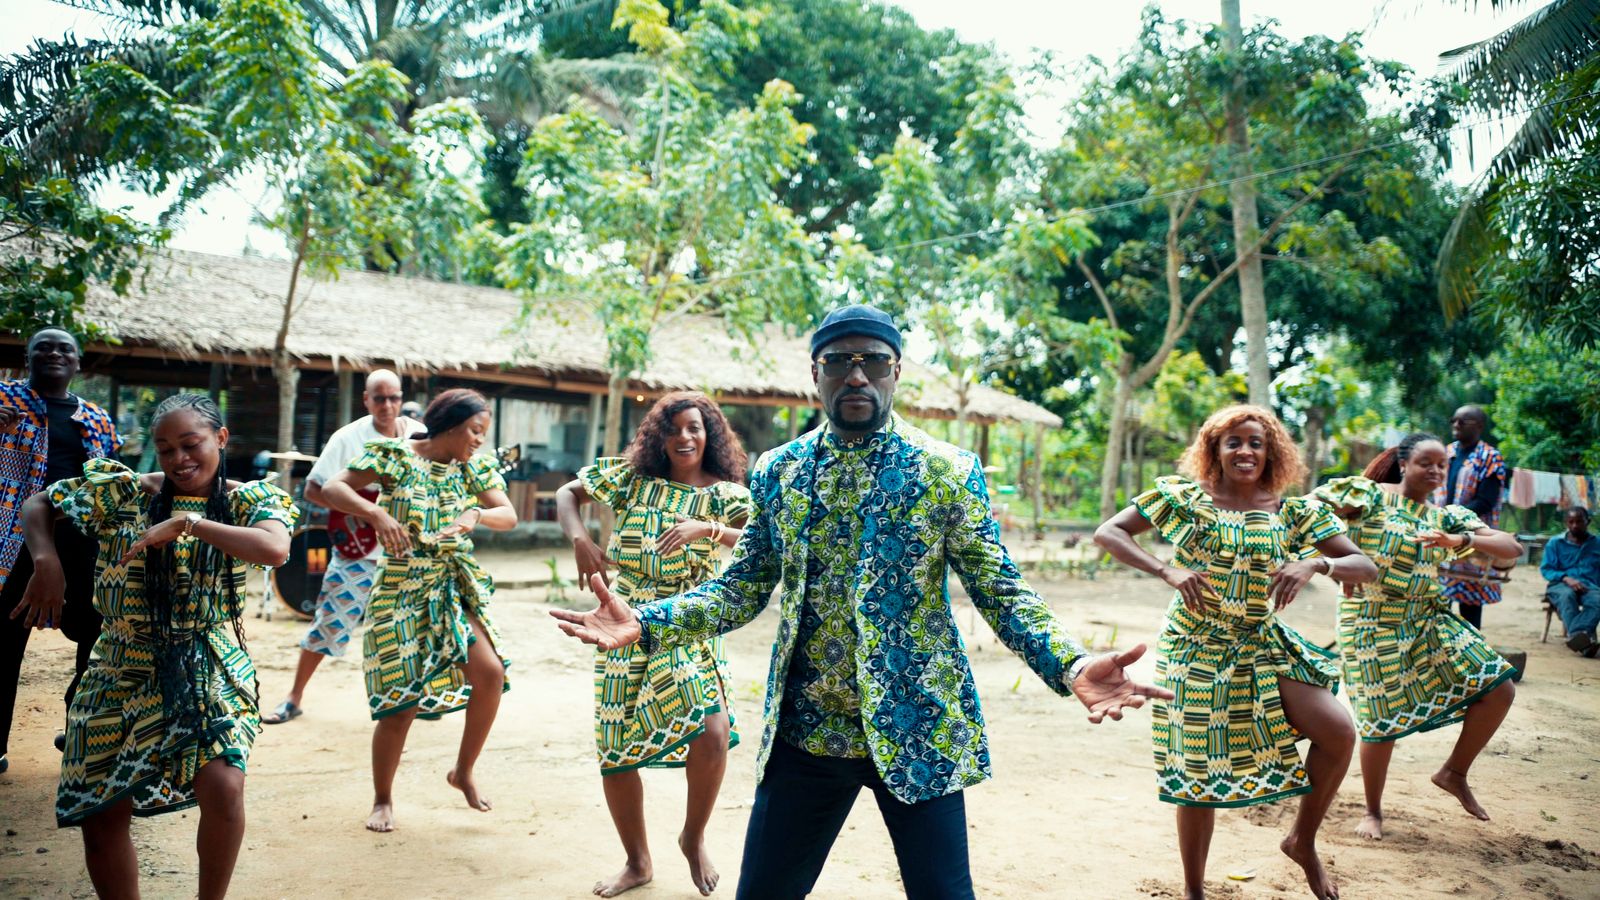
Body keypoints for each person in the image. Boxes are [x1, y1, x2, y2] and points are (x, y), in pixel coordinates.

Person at [552, 305, 1171, 900]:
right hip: (807, 733)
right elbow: (739, 587)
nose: (856, 375)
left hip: (920, 723)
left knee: (943, 894)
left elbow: (1000, 588)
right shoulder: (779, 471)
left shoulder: (945, 470)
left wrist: (1068, 663)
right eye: (838, 361)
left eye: (872, 361)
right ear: (815, 373)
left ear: (895, 371)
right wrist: (647, 620)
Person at [15, 393, 297, 899]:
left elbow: (275, 549)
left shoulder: (248, 501)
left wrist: (188, 523)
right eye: (166, 449)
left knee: (224, 783)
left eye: (191, 444)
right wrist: (45, 560)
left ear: (221, 438)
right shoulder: (124, 492)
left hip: (205, 660)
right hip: (119, 660)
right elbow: (39, 503)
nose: (178, 459)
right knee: (101, 810)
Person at [1094, 405, 1378, 900]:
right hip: (1195, 648)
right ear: (1215, 451)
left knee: (1338, 731)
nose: (1245, 451)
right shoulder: (1184, 499)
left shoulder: (1292, 511)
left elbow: (1365, 565)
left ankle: (1302, 841)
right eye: (1234, 442)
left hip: (1260, 642)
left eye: (1256, 443)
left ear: (1271, 453)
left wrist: (1316, 565)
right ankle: (1193, 891)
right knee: (1198, 775)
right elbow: (1109, 532)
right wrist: (1166, 569)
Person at [555, 391, 752, 898]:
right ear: (658, 436)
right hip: (622, 615)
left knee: (712, 731)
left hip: (690, 615)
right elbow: (567, 494)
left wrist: (710, 529)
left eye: (694, 427)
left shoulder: (726, 495)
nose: (683, 437)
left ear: (709, 435)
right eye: (673, 428)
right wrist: (580, 540)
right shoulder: (632, 479)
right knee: (617, 747)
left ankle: (693, 836)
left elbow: (765, 541)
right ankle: (637, 861)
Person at [318, 387, 517, 833]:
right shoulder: (396, 457)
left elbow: (508, 515)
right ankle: (382, 799)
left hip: (449, 584)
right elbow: (333, 487)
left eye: (483, 433)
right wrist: (376, 514)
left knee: (490, 673)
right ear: (449, 424)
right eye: (474, 430)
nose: (479, 440)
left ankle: (463, 771)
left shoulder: (472, 468)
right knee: (400, 705)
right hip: (399, 589)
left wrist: (476, 515)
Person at [1312, 433, 1520, 841]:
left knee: (1500, 688)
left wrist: (1463, 540)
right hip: (1368, 619)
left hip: (1427, 617)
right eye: (1427, 462)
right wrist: (1336, 561)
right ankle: (1372, 812)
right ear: (1404, 464)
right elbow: (1307, 510)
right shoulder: (1369, 496)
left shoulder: (1446, 517)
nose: (1436, 471)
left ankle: (1453, 772)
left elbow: (1510, 547)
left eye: (1442, 465)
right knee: (1381, 718)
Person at [261, 370, 421, 724]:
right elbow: (313, 489)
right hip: (360, 549)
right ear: (366, 400)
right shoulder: (348, 438)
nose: (387, 405)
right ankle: (294, 697)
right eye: (379, 398)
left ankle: (413, 701)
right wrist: (365, 513)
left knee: (409, 627)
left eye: (394, 397)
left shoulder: (417, 435)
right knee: (330, 620)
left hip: (405, 552)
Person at [1, 327, 121, 775]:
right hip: (11, 539)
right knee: (4, 638)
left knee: (100, 633)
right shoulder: (3, 401)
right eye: (44, 347)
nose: (54, 353)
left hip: (80, 539)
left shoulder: (97, 418)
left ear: (77, 362)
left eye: (64, 348)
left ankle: (79, 729)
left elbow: (108, 478)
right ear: (27, 358)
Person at [1433, 406, 1509, 628]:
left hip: (1473, 539)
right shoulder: (1445, 452)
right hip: (1440, 534)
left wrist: (1454, 520)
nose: (1456, 425)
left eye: (1463, 421)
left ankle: (1471, 645)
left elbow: (1486, 500)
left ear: (1480, 426)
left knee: (1470, 605)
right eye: (1454, 420)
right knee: (1437, 601)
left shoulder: (1490, 457)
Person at [1542, 507, 1600, 657]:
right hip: (1560, 585)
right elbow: (1547, 569)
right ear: (1566, 523)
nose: (1575, 525)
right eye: (1571, 522)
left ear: (1588, 521)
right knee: (1567, 596)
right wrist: (1566, 578)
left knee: (1598, 600)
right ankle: (1583, 641)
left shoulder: (1597, 543)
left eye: (1579, 521)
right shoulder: (1555, 543)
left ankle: (1576, 637)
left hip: (1589, 586)